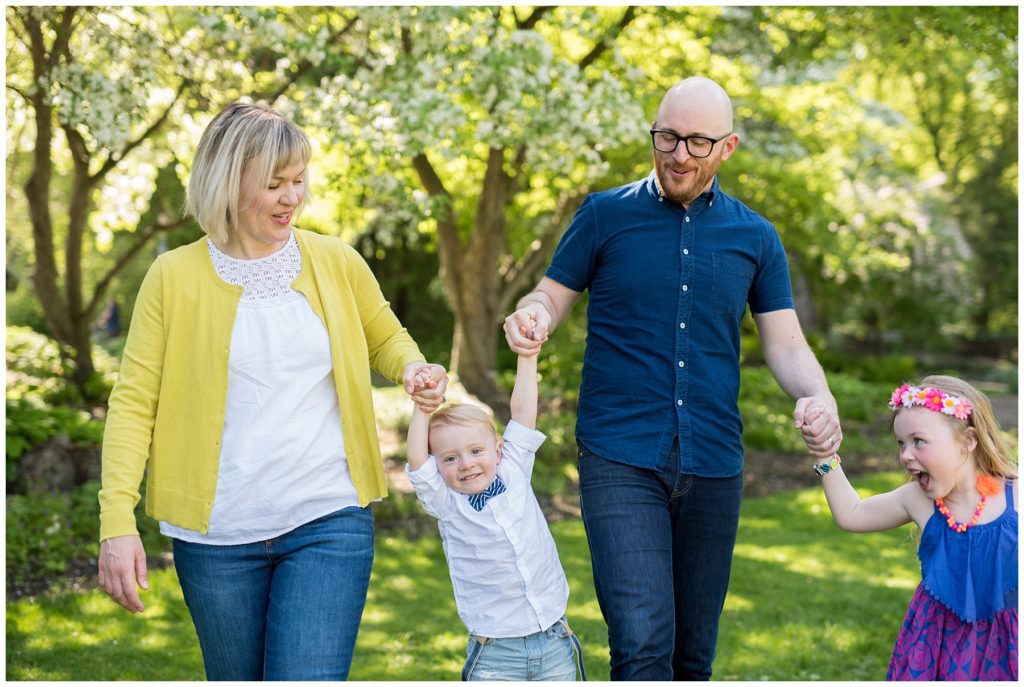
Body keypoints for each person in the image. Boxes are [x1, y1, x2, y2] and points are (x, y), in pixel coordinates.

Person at [503, 76, 840, 681]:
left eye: (696, 142)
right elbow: (550, 295)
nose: (678, 154)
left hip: (714, 460)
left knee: (692, 658)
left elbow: (785, 342)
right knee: (641, 644)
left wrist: (818, 395)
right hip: (619, 455)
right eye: (667, 137)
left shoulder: (755, 237)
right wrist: (532, 314)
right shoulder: (604, 216)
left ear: (727, 147)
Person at [96, 101, 448, 681]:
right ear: (228, 185)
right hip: (215, 537)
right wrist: (117, 520)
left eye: (298, 180)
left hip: (326, 515)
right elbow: (134, 404)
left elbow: (387, 337)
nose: (293, 197)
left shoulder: (335, 260)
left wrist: (414, 370)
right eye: (274, 184)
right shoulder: (173, 278)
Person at [810, 375, 1017, 680]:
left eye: (918, 441)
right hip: (935, 647)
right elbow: (852, 514)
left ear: (967, 441)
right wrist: (825, 455)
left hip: (1006, 646)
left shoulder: (1016, 496)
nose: (905, 455)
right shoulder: (918, 500)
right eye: (901, 443)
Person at [405, 353, 586, 681]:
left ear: (498, 450)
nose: (466, 464)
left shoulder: (514, 468)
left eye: (476, 451)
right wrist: (422, 411)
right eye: (450, 458)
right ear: (437, 465)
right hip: (495, 652)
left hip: (554, 637)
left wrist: (527, 358)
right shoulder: (446, 502)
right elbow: (417, 460)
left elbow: (523, 414)